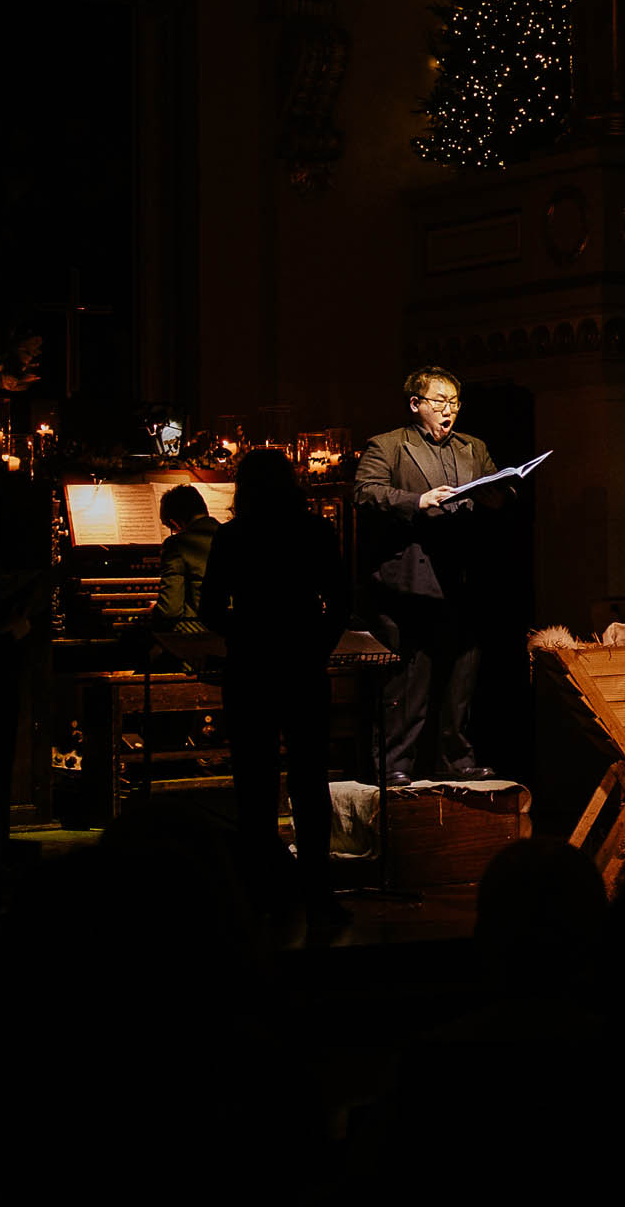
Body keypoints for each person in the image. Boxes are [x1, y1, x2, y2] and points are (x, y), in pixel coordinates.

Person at [200, 447, 351, 925]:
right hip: (303, 665)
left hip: (249, 667)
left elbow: (207, 608)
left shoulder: (233, 535)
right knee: (310, 778)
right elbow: (341, 601)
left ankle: (261, 884)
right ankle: (318, 888)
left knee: (254, 779)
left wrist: (244, 630)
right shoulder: (314, 531)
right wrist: (316, 646)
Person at [353, 366, 513, 784]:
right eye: (439, 402)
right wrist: (416, 500)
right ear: (415, 404)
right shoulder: (388, 445)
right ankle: (395, 764)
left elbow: (496, 485)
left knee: (462, 674)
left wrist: (500, 494)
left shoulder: (472, 447)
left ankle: (457, 758)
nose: (448, 411)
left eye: (454, 403)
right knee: (410, 677)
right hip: (412, 578)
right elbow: (366, 491)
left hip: (462, 574)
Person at [145, 483, 218, 636]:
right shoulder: (233, 536)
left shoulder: (177, 544)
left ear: (175, 522)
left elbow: (170, 611)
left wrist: (155, 610)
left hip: (199, 637)